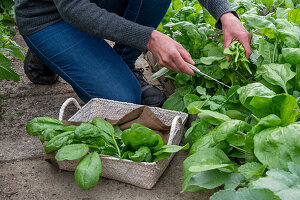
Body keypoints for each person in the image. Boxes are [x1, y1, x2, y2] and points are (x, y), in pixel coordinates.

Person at [14, 0, 252, 106]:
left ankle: (122, 62)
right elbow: (73, 8)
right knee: (123, 100)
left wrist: (225, 14)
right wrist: (149, 38)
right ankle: (45, 52)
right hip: (47, 16)